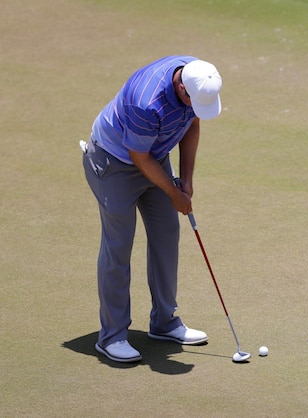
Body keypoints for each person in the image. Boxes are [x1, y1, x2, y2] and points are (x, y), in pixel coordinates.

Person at [82, 56, 222, 363]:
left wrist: (185, 181)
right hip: (113, 163)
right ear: (180, 86)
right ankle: (112, 336)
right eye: (191, 100)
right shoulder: (147, 102)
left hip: (152, 155)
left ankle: (164, 321)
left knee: (167, 232)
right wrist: (173, 193)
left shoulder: (197, 76)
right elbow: (139, 156)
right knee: (119, 245)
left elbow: (192, 124)